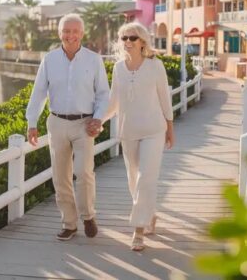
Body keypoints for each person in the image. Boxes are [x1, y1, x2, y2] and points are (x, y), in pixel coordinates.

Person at [25, 13, 109, 241]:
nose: (70, 35)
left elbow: (103, 94)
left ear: (82, 34)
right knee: (60, 177)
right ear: (59, 33)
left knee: (83, 172)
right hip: (57, 123)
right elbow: (39, 93)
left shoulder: (93, 60)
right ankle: (69, 224)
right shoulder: (49, 60)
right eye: (66, 31)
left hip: (85, 124)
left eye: (75, 31)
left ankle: (88, 215)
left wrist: (98, 118)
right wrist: (32, 123)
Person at [102, 22, 175, 251]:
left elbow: (165, 98)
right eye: (123, 38)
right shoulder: (118, 69)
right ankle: (149, 214)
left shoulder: (155, 66)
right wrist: (98, 121)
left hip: (154, 130)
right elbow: (114, 102)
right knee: (134, 180)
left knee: (146, 178)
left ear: (142, 41)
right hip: (129, 132)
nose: (127, 42)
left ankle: (138, 229)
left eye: (132, 38)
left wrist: (170, 128)